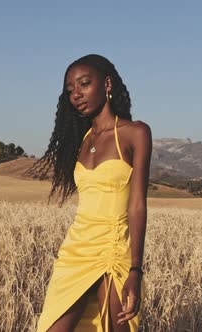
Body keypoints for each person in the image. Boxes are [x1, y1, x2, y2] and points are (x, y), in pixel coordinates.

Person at [26, 54, 152, 331]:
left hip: (114, 249)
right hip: (76, 249)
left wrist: (136, 270)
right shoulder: (81, 139)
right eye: (70, 90)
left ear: (107, 84)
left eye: (84, 84)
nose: (76, 95)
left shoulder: (135, 133)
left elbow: (137, 205)